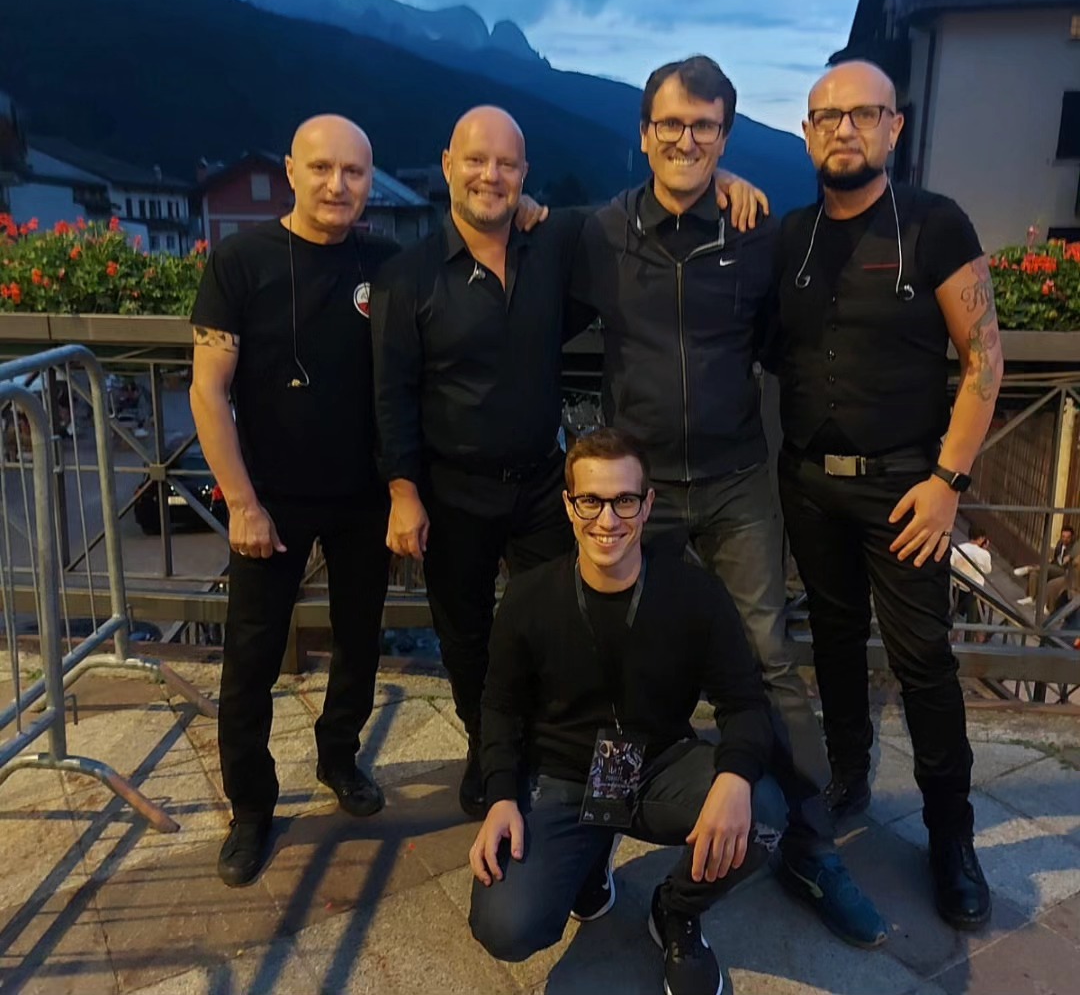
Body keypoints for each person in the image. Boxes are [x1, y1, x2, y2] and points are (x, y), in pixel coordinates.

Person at [570, 55, 885, 948]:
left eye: (704, 126)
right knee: (619, 654)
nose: (686, 139)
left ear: (725, 136)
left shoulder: (757, 234)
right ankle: (599, 829)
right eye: (671, 124)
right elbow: (524, 271)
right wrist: (519, 210)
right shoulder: (597, 234)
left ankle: (813, 848)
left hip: (738, 479)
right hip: (638, 490)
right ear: (644, 134)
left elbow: (790, 342)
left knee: (770, 660)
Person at [772, 60, 1003, 930]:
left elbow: (984, 360)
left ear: (894, 127)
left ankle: (952, 836)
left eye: (863, 113)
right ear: (807, 133)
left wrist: (948, 483)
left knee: (923, 661)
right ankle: (847, 773)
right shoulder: (791, 236)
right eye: (827, 116)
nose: (845, 129)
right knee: (832, 638)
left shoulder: (936, 225)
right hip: (808, 482)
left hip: (908, 489)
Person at [468, 428, 774, 995]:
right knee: (505, 925)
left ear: (647, 504)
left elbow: (745, 701)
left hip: (658, 763)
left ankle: (677, 910)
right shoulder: (529, 597)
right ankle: (586, 864)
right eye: (591, 500)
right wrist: (501, 795)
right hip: (562, 775)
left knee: (767, 812)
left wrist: (734, 776)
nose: (607, 520)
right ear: (569, 505)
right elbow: (500, 706)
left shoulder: (695, 595)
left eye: (624, 501)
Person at [190, 114, 398, 887]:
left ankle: (339, 757)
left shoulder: (388, 262)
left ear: (370, 180)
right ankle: (251, 808)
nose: (337, 184)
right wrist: (241, 502)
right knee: (249, 659)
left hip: (364, 496)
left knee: (360, 640)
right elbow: (208, 391)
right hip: (269, 500)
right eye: (321, 168)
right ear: (290, 171)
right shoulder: (240, 261)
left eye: (353, 171)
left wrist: (532, 214)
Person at [371, 106, 584, 819]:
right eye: (476, 160)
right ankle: (486, 749)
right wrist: (404, 492)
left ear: (524, 175)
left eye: (506, 164)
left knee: (553, 623)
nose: (490, 174)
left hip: (542, 484)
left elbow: (634, 218)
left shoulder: (551, 254)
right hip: (452, 490)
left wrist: (724, 181)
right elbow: (392, 393)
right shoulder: (407, 277)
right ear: (447, 165)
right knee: (464, 636)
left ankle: (539, 746)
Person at [1016, 525, 1076, 609]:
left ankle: (1028, 568)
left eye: (1068, 537)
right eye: (1063, 537)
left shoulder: (1073, 548)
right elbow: (1055, 558)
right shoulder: (1059, 544)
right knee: (1035, 573)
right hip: (1054, 567)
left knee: (1047, 569)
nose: (1065, 539)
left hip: (1064, 571)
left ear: (1071, 538)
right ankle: (1031, 597)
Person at [951, 527, 992, 642]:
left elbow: (951, 564)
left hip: (958, 587)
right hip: (976, 590)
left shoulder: (957, 549)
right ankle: (979, 641)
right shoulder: (984, 554)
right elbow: (987, 570)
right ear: (982, 538)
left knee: (958, 615)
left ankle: (954, 638)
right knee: (978, 619)